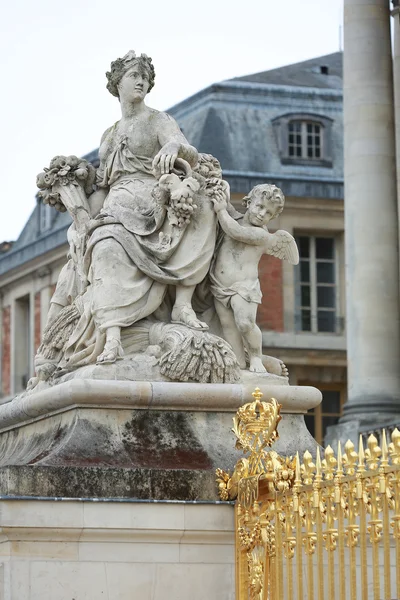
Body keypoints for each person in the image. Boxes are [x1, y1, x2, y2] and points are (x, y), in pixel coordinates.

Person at [75, 51, 218, 364]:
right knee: (104, 244)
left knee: (202, 210)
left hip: (153, 202)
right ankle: (112, 337)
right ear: (117, 84)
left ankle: (181, 305)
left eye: (145, 77)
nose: (141, 81)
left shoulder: (158, 120)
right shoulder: (109, 135)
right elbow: (102, 185)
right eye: (133, 76)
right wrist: (84, 218)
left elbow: (187, 150)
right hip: (116, 206)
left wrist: (172, 145)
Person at [210, 183, 299, 373]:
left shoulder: (261, 234)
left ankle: (256, 357)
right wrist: (221, 189)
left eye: (268, 213)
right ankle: (239, 364)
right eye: (259, 207)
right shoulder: (236, 217)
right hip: (219, 285)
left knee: (245, 323)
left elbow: (235, 231)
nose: (261, 214)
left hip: (244, 287)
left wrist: (220, 210)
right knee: (228, 327)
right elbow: (229, 207)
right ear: (248, 202)